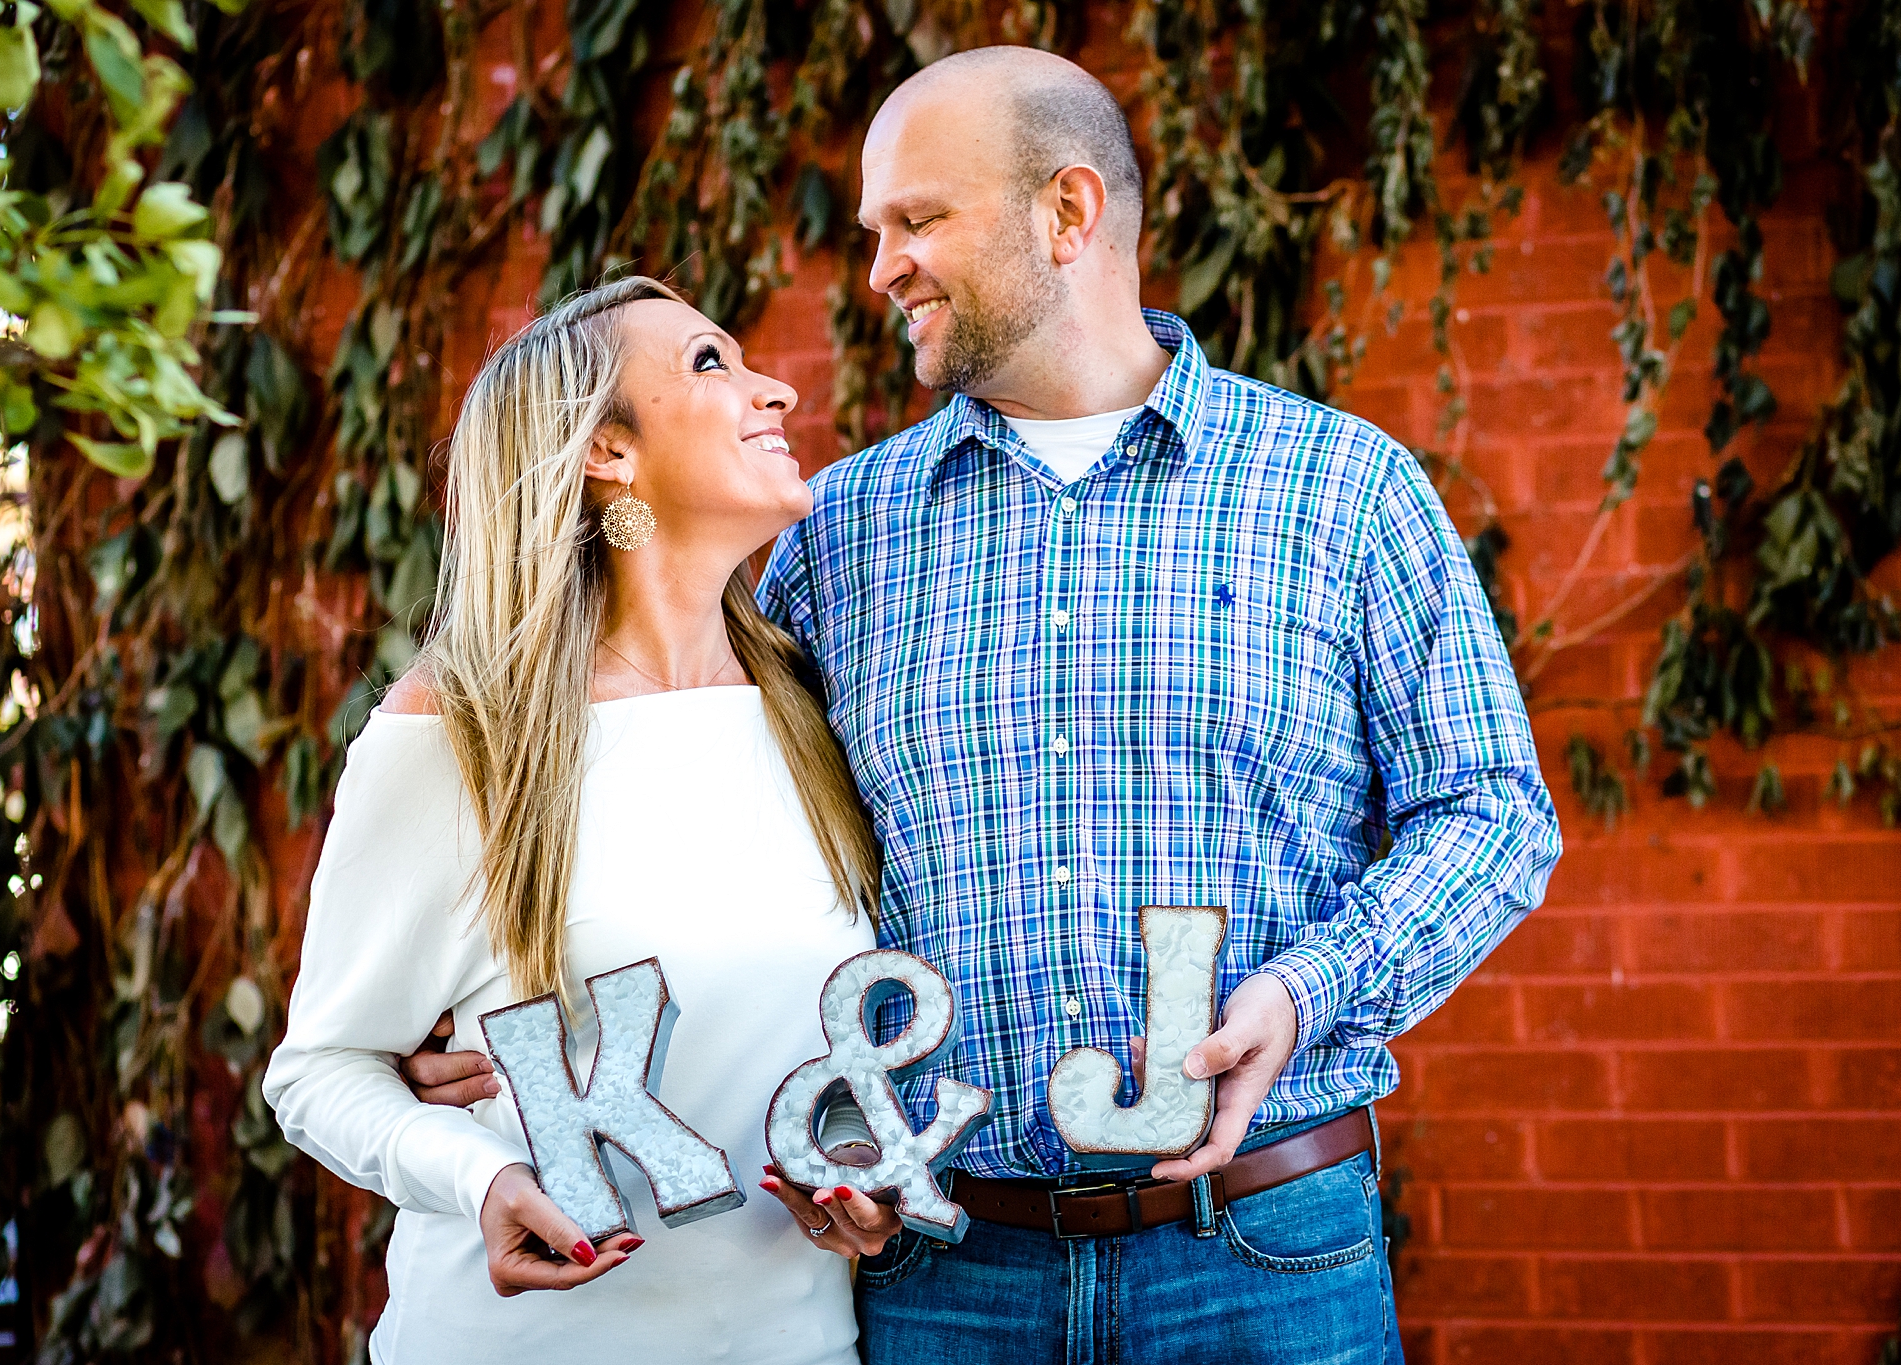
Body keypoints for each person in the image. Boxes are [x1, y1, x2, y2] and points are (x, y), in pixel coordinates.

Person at [402, 45, 1562, 1365]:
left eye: (917, 219)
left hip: (1263, 1253)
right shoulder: (835, 536)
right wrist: (474, 1000)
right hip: (949, 1277)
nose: (882, 264)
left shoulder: (1342, 490)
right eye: (874, 233)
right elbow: (708, 825)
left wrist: (1302, 994)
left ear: (1068, 213)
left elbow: (1490, 817)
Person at [263, 276, 904, 1365]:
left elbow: (814, 1042)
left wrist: (864, 1186)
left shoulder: (815, 701)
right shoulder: (463, 730)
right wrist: (483, 1176)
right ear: (607, 450)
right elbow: (319, 1070)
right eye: (712, 365)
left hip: (793, 1343)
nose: (776, 393)